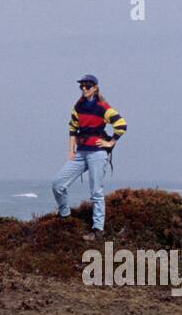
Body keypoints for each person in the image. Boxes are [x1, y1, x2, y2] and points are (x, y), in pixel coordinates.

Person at [52, 74, 127, 241]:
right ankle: (64, 215)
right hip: (81, 153)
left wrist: (110, 143)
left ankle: (97, 229)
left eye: (88, 86)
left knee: (96, 193)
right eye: (82, 86)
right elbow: (72, 128)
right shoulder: (78, 106)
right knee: (58, 183)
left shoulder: (102, 107)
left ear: (95, 88)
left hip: (97, 153)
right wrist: (71, 150)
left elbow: (121, 124)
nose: (84, 88)